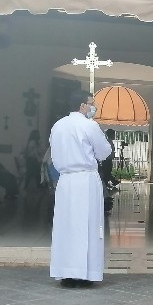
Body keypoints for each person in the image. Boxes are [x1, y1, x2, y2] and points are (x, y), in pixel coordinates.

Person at [49, 90, 112, 288]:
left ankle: (66, 274)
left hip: (65, 181)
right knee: (88, 226)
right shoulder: (89, 125)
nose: (93, 107)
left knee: (66, 226)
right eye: (91, 103)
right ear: (82, 106)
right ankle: (86, 274)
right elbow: (104, 152)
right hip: (85, 180)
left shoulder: (57, 126)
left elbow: (54, 152)